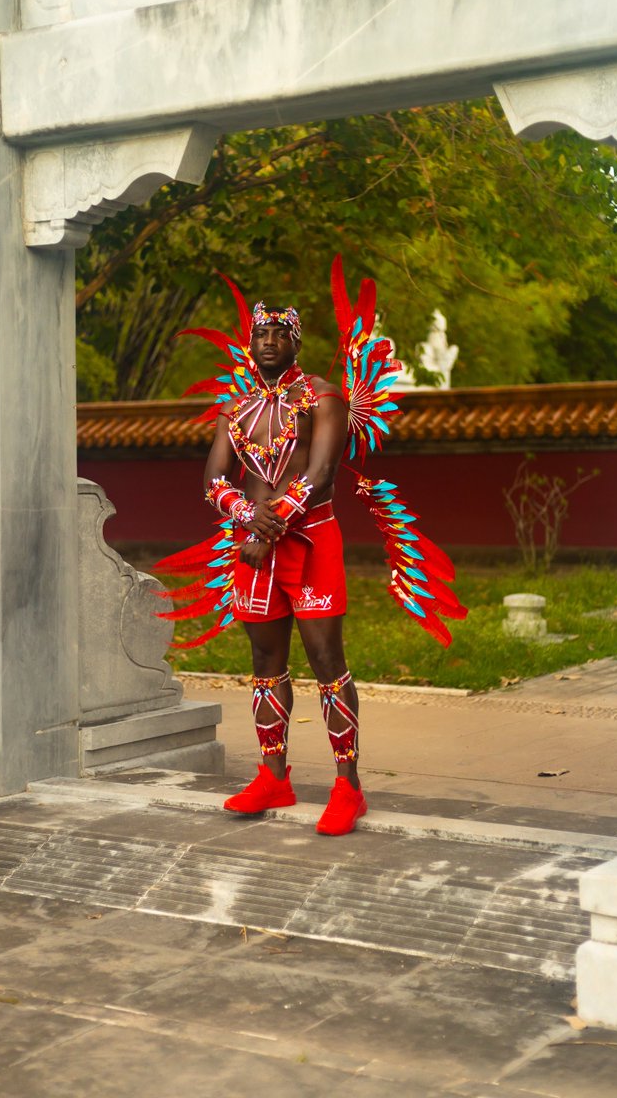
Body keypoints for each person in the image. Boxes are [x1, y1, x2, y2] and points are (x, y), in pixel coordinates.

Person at [202, 301, 367, 836]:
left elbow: (320, 472)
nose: (269, 339)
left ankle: (348, 787)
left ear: (297, 343)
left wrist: (267, 530)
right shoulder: (236, 409)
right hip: (252, 548)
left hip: (312, 541)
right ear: (250, 343)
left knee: (326, 659)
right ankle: (274, 775)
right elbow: (214, 482)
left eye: (280, 332)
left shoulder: (323, 397)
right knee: (265, 660)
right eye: (261, 332)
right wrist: (251, 520)